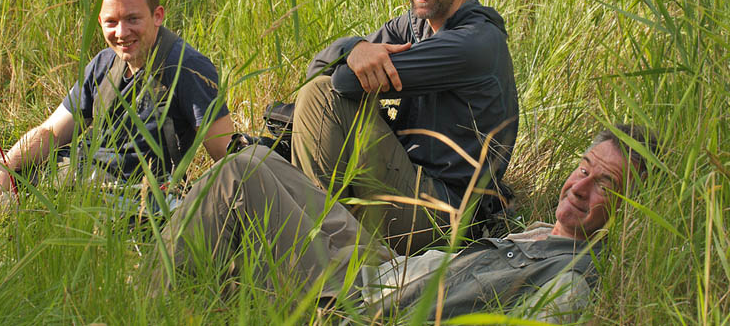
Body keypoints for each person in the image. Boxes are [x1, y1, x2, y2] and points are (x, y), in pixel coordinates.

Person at [152, 124, 657, 323]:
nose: (581, 186)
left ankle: (144, 303)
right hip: (384, 266)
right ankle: (207, 283)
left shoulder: (570, 278)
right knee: (259, 158)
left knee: (239, 175)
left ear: (633, 209)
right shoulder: (541, 232)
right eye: (584, 167)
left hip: (367, 305)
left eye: (606, 184)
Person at [290, 0, 519, 253]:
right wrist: (353, 47)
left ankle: (316, 252)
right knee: (317, 94)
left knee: (322, 99)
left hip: (443, 215)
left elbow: (341, 81)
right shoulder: (411, 27)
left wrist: (353, 56)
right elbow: (317, 68)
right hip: (407, 183)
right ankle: (320, 237)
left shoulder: (475, 43)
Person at [0, 0, 234, 211]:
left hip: (133, 199)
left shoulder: (187, 68)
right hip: (72, 177)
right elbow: (52, 132)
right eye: (111, 22)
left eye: (133, 19)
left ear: (158, 15)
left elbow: (228, 159)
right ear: (100, 21)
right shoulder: (102, 63)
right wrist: (5, 168)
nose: (121, 33)